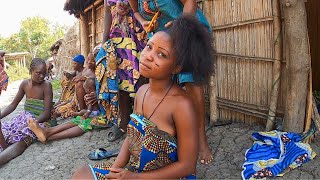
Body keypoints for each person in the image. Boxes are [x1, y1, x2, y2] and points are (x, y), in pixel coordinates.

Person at [72, 15, 214, 179]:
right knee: (82, 174)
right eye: (149, 47)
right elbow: (132, 137)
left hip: (163, 176)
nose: (149, 56)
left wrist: (135, 178)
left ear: (176, 67)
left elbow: (187, 166)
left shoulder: (182, 104)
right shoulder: (141, 92)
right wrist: (115, 170)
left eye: (162, 55)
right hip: (135, 170)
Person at [128, 0, 214, 164]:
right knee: (162, 83)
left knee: (191, 82)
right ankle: (171, 136)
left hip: (188, 30)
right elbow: (136, 12)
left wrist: (181, 26)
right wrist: (144, 23)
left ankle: (201, 140)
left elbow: (190, 2)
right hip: (163, 38)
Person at [89, 0, 146, 142]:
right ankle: (124, 121)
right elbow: (108, 12)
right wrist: (104, 41)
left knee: (142, 74)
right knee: (119, 78)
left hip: (136, 30)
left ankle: (144, 121)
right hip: (117, 35)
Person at [0, 58, 53, 166]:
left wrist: (32, 124)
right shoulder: (24, 84)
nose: (42, 76)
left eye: (44, 73)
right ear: (31, 71)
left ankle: (3, 157)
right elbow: (13, 105)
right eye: (38, 73)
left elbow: (47, 113)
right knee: (8, 130)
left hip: (39, 120)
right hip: (25, 118)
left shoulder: (46, 85)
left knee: (24, 138)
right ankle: (5, 147)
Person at [28, 78, 101, 143]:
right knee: (76, 121)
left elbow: (89, 108)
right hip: (93, 115)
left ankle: (48, 136)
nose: (84, 91)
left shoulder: (90, 96)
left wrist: (86, 112)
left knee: (83, 125)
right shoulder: (93, 94)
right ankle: (47, 132)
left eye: (84, 89)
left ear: (89, 89)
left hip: (98, 117)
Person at [52, 54, 86, 119]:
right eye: (73, 63)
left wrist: (71, 78)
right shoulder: (76, 71)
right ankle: (62, 100)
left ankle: (74, 108)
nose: (73, 65)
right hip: (71, 96)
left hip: (77, 97)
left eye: (75, 64)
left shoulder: (84, 72)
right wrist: (67, 75)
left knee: (59, 110)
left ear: (80, 64)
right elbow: (71, 75)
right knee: (65, 80)